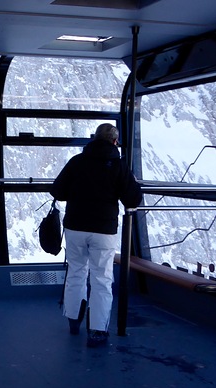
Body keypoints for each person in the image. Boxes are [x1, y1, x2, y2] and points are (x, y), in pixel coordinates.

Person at [50, 123, 143, 348]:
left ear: (94, 138)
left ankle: (74, 320)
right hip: (103, 230)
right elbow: (133, 199)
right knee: (101, 279)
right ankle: (98, 331)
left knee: (76, 272)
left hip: (75, 227)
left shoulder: (77, 161)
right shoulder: (118, 166)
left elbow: (58, 191)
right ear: (114, 142)